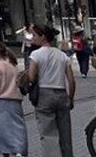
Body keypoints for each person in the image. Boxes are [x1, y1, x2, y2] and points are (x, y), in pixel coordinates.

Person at [24, 24, 77, 157]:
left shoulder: (36, 55)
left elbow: (30, 78)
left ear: (43, 37)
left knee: (48, 135)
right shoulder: (62, 56)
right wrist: (70, 98)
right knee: (65, 133)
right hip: (61, 94)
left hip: (44, 95)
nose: (33, 38)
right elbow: (71, 80)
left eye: (35, 35)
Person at [0, 39, 28, 157]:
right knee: (18, 127)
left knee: (4, 130)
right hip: (16, 101)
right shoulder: (12, 66)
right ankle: (20, 151)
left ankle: (7, 152)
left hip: (1, 101)